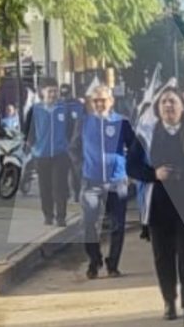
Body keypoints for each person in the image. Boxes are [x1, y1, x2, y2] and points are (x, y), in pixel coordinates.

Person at [127, 88, 184, 327]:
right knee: (163, 257)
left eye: (173, 102)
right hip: (159, 207)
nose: (168, 106)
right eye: (164, 103)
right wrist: (154, 174)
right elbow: (132, 167)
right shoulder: (146, 134)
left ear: (182, 107)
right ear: (158, 109)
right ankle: (169, 299)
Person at [71, 87, 135, 279]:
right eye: (95, 101)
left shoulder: (121, 122)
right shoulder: (83, 122)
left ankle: (113, 264)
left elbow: (134, 147)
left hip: (117, 182)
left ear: (111, 101)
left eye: (103, 100)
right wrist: (81, 167)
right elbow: (73, 148)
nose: (99, 104)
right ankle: (94, 259)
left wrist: (131, 171)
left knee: (118, 225)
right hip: (91, 181)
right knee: (89, 223)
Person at [25, 83, 78, 226]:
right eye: (50, 91)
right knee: (45, 187)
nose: (53, 94)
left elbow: (71, 128)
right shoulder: (35, 110)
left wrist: (68, 144)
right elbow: (29, 131)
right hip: (42, 155)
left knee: (59, 187)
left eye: (55, 91)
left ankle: (61, 217)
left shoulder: (64, 109)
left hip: (60, 154)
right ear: (42, 92)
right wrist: (33, 145)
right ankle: (48, 215)